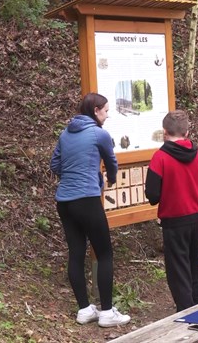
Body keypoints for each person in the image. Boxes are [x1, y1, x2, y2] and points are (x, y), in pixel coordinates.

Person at [50, 93, 130, 327]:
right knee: (104, 253)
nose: (107, 115)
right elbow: (111, 162)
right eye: (105, 110)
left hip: (64, 201)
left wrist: (73, 175)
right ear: (95, 111)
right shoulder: (99, 134)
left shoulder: (66, 133)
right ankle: (106, 312)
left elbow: (55, 165)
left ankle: (84, 309)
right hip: (87, 199)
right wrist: (110, 179)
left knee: (76, 253)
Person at [145, 110, 198, 312]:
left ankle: (185, 309)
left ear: (165, 132)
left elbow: (152, 194)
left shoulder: (160, 158)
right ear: (187, 132)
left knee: (177, 268)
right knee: (194, 262)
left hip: (174, 219)